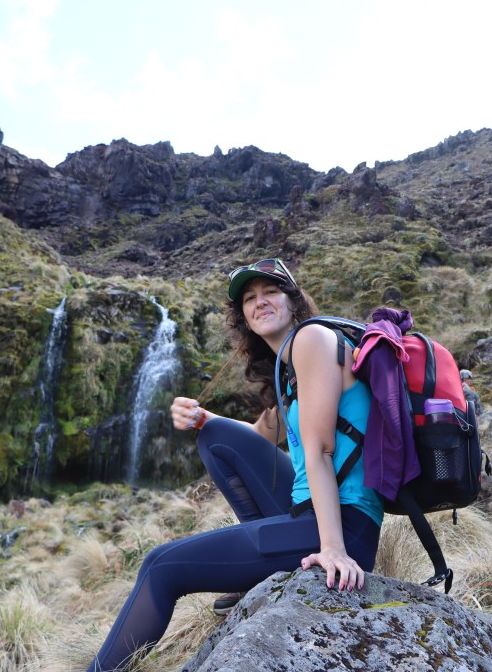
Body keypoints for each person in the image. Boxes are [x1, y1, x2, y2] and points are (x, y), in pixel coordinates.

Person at [87, 257, 383, 671]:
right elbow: (258, 438)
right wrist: (202, 419)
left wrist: (334, 550)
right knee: (215, 436)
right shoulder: (291, 370)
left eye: (271, 292)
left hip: (342, 526)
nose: (259, 302)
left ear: (294, 301)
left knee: (161, 566)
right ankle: (258, 573)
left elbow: (320, 450)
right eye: (249, 298)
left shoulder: (313, 340)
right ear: (242, 315)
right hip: (306, 514)